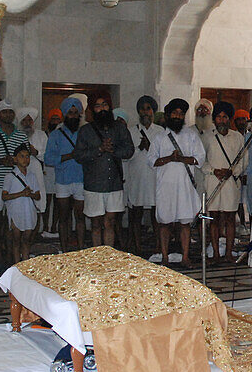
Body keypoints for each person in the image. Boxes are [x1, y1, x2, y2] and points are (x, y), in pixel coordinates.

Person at [146, 98, 205, 267]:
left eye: (181, 114)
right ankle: (165, 258)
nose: (178, 116)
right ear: (168, 115)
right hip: (165, 187)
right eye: (174, 113)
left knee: (184, 223)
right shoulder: (159, 137)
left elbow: (200, 158)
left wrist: (182, 159)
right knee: (165, 223)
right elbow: (151, 161)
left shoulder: (191, 136)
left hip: (185, 186)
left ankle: (185, 257)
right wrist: (169, 159)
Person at [73, 92, 133, 249]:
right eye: (98, 106)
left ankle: (109, 257)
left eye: (105, 105)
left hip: (114, 183)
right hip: (94, 185)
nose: (102, 109)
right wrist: (99, 149)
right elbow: (78, 155)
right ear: (93, 109)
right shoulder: (85, 131)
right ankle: (97, 257)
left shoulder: (119, 128)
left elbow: (129, 150)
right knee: (96, 223)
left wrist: (113, 150)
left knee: (111, 222)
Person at [0, 100, 29, 262]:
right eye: (4, 112)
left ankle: (10, 253)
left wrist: (15, 161)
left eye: (10, 112)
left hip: (15, 183)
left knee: (12, 220)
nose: (8, 115)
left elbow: (26, 158)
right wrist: (0, 161)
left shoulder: (21, 135)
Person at [201, 101, 247, 262]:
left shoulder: (238, 137)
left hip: (230, 183)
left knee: (229, 218)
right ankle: (215, 253)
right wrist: (214, 171)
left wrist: (232, 172)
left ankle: (228, 253)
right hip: (213, 180)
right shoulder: (207, 137)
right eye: (218, 117)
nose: (221, 120)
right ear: (214, 120)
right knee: (213, 217)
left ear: (229, 119)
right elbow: (202, 160)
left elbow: (243, 160)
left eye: (225, 117)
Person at [45, 97, 86, 252]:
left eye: (76, 113)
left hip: (81, 179)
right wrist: (68, 156)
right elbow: (48, 158)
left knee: (80, 217)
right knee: (63, 217)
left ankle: (81, 250)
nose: (73, 116)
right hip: (62, 180)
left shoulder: (85, 132)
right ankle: (64, 250)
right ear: (64, 114)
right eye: (70, 113)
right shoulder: (56, 134)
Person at [125, 95, 164, 256]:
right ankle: (137, 246)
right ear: (138, 111)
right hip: (137, 178)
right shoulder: (131, 131)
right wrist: (139, 148)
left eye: (148, 108)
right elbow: (126, 155)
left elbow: (163, 156)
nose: (145, 112)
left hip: (155, 178)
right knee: (136, 213)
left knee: (156, 215)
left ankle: (158, 246)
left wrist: (150, 148)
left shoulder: (160, 132)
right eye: (143, 109)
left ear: (153, 111)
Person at [2, 142, 42, 264]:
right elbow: (4, 196)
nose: (25, 159)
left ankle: (25, 262)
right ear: (15, 159)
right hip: (16, 211)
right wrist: (21, 194)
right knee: (16, 239)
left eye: (27, 156)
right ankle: (17, 264)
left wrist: (30, 194)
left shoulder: (32, 176)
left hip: (28, 211)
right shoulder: (10, 176)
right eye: (21, 156)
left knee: (26, 239)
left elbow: (38, 195)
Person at [18, 106, 48, 237]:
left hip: (36, 172)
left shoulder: (41, 135)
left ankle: (34, 237)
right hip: (20, 173)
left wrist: (36, 152)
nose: (27, 123)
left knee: (37, 202)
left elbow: (47, 156)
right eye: (24, 120)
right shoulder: (17, 135)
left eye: (29, 120)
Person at [39, 109, 62, 235]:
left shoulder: (61, 134)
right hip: (46, 171)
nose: (55, 121)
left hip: (58, 170)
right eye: (53, 119)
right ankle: (45, 226)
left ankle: (54, 226)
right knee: (46, 200)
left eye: (57, 119)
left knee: (58, 201)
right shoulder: (43, 134)